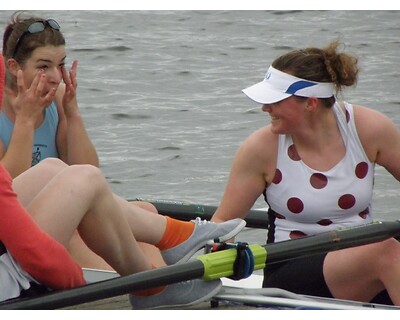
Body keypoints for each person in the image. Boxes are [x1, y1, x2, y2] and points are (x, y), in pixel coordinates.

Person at [211, 39, 400, 306]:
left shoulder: (369, 129)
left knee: (387, 250)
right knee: (388, 251)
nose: (265, 108)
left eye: (274, 101)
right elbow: (225, 223)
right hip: (292, 269)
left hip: (360, 259)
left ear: (310, 103)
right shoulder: (261, 148)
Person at [0, 12, 164, 271]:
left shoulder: (57, 99)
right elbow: (7, 192)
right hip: (12, 229)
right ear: (14, 67)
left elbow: (87, 170)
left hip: (53, 215)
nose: (55, 76)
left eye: (60, 65)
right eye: (43, 66)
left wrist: (72, 114)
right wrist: (26, 120)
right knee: (79, 230)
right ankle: (140, 281)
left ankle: (159, 280)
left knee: (146, 210)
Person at [1, 157, 246, 308]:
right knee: (86, 178)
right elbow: (42, 259)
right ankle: (151, 286)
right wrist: (79, 285)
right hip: (10, 286)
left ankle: (178, 235)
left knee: (51, 168)